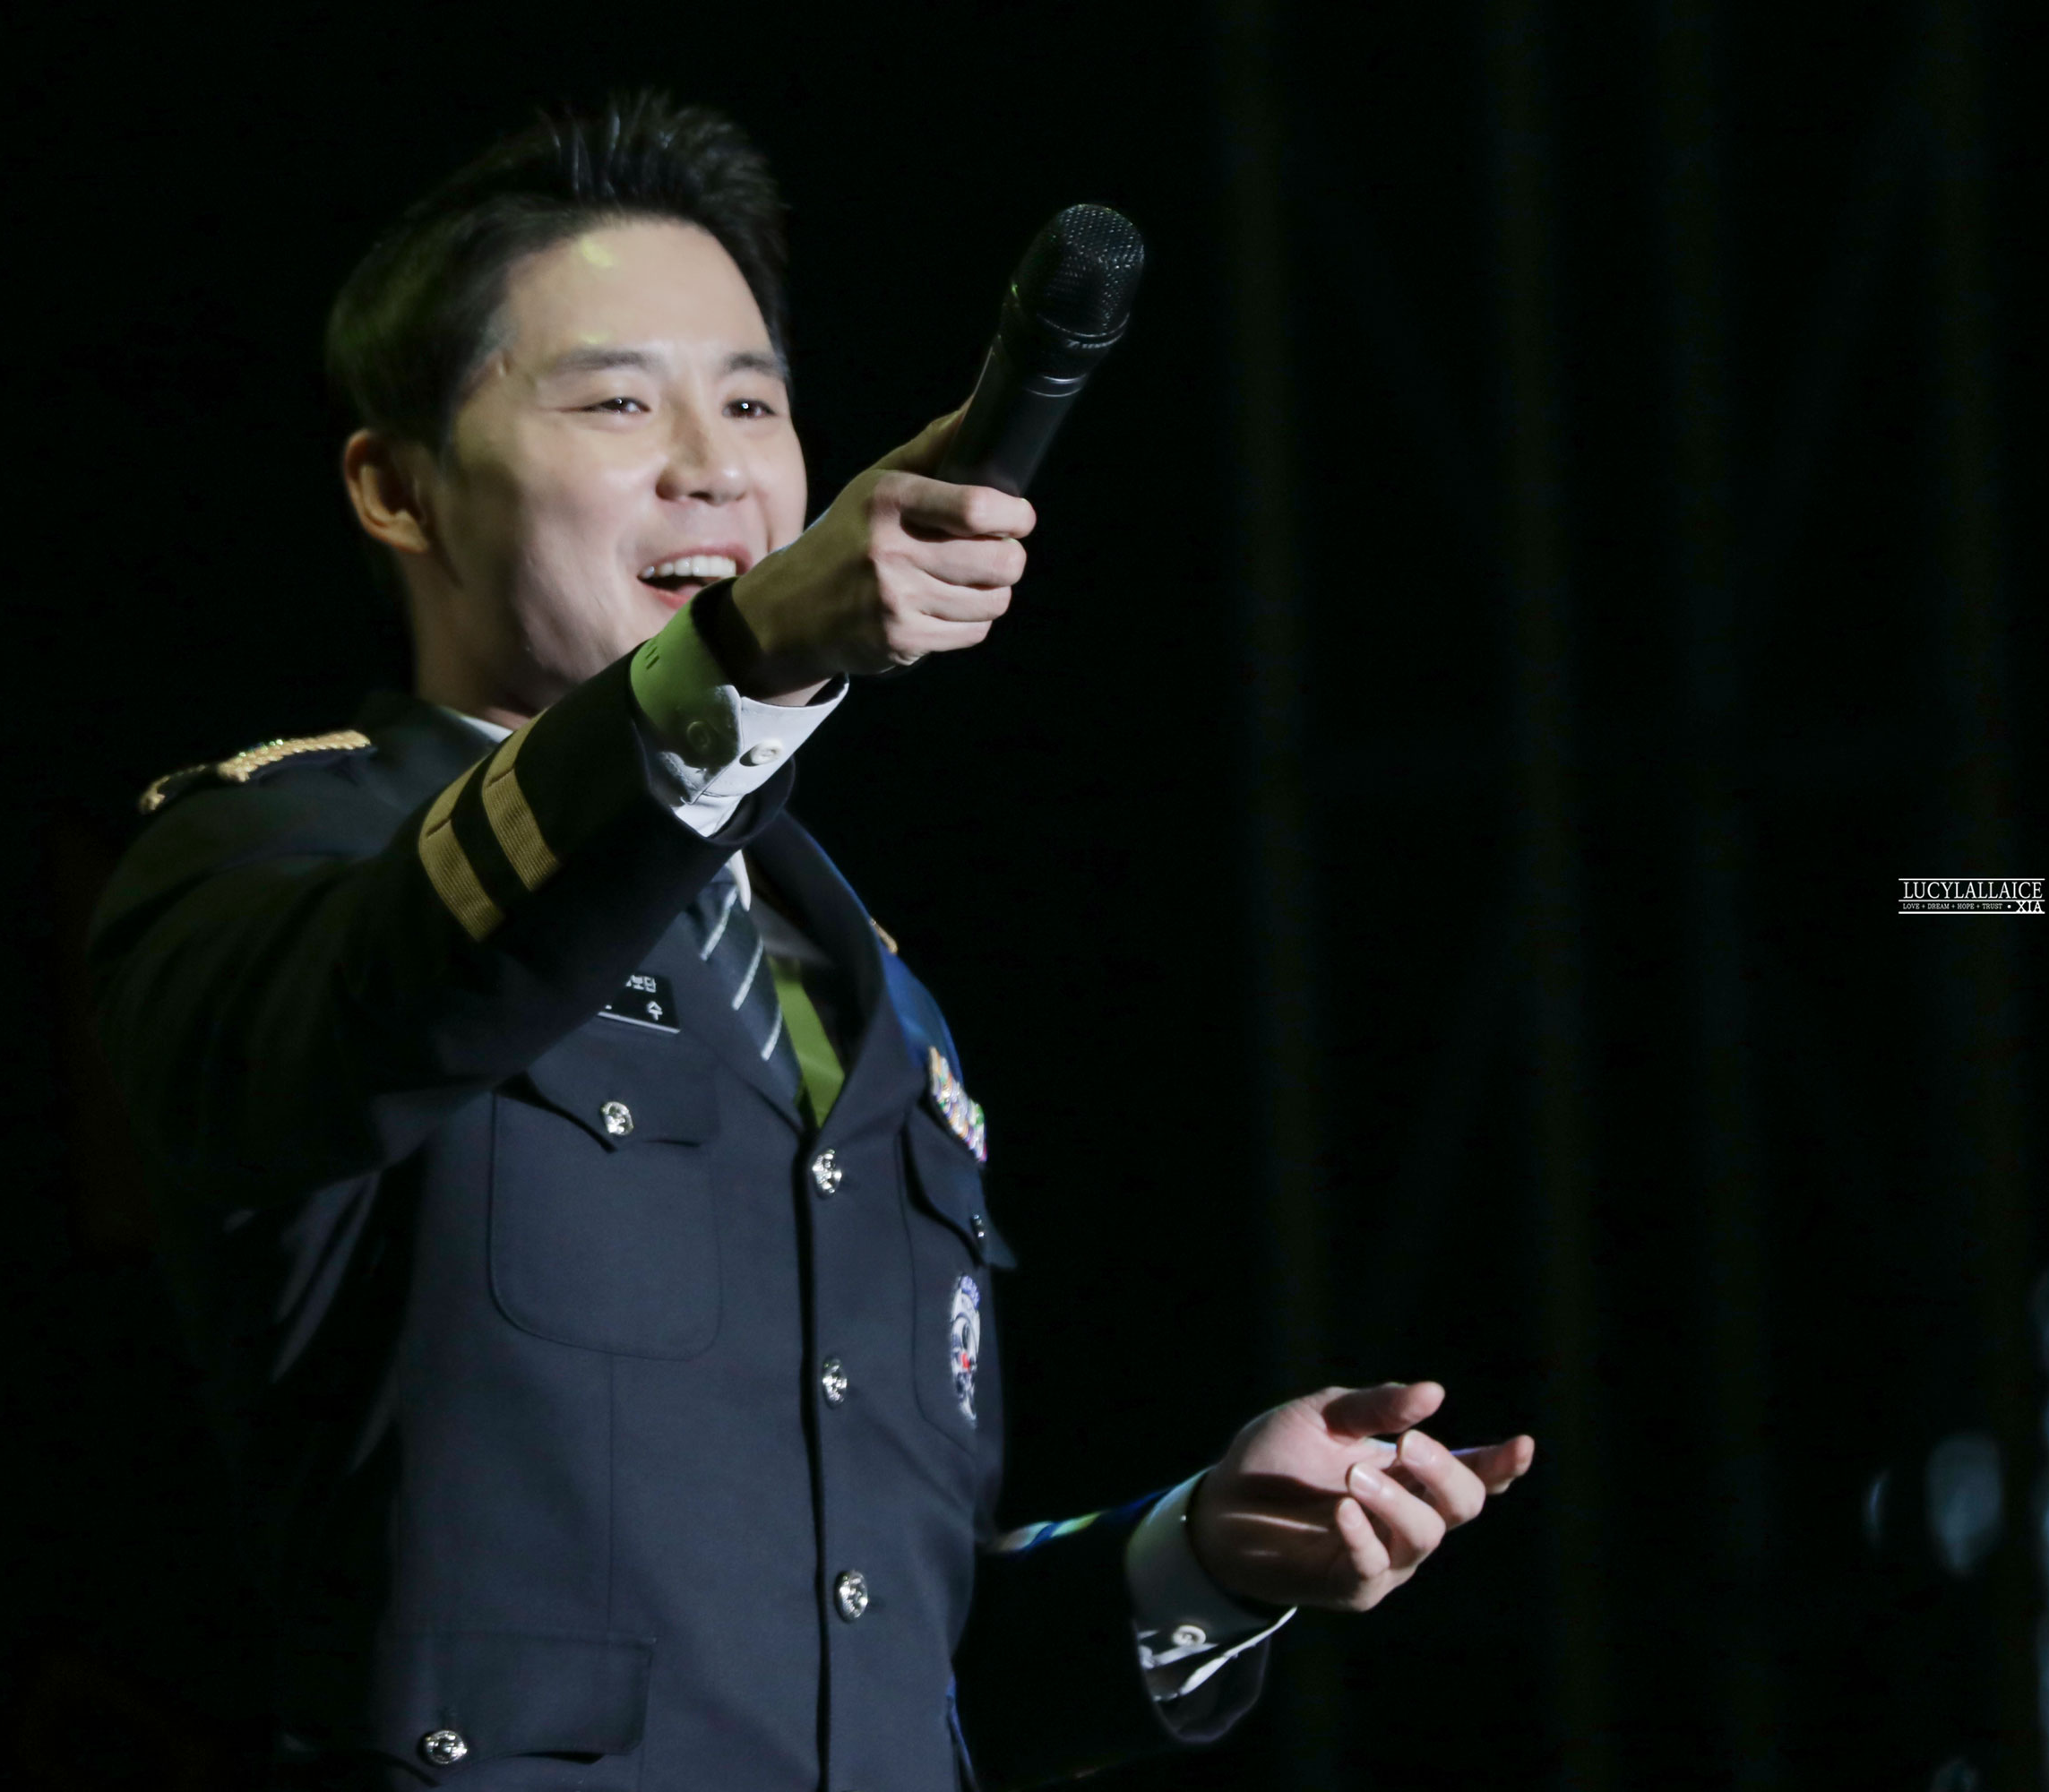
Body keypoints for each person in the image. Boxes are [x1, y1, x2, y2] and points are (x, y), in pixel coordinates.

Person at [90, 93, 1535, 1791]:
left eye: (753, 401)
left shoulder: (875, 991)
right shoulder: (278, 849)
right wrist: (738, 665)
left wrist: (1205, 1558)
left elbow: (883, 1660)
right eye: (618, 400)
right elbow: (372, 1003)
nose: (712, 464)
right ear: (396, 486)